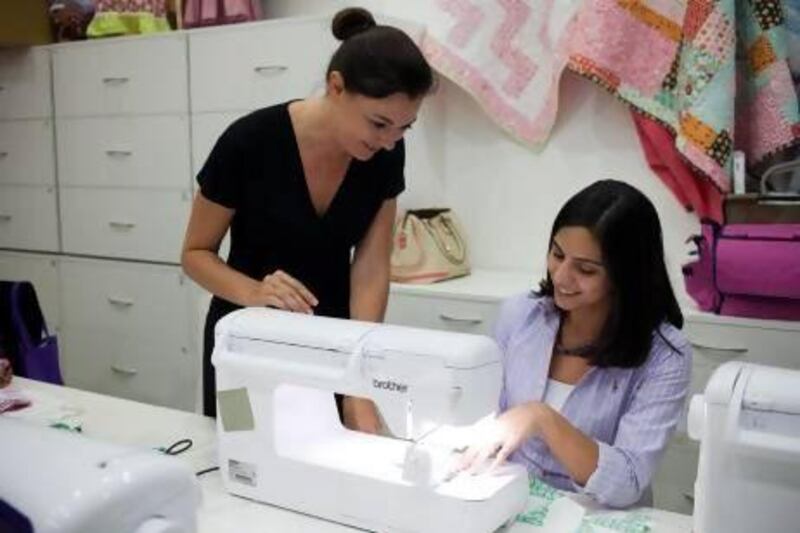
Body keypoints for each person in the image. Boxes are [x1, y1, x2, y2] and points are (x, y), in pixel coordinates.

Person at [181, 7, 434, 422]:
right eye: (379, 123)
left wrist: (359, 379)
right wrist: (255, 293)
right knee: (239, 453)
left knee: (325, 463)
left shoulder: (384, 156)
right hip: (243, 341)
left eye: (404, 128)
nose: (389, 142)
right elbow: (194, 253)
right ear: (336, 87)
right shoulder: (249, 142)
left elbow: (370, 268)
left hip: (331, 345)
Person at [459, 180, 692, 508]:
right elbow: (483, 413)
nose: (561, 276)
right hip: (510, 499)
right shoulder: (521, 315)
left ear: (625, 276)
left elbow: (628, 482)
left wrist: (542, 418)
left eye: (585, 269)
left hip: (599, 516)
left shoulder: (665, 356)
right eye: (557, 254)